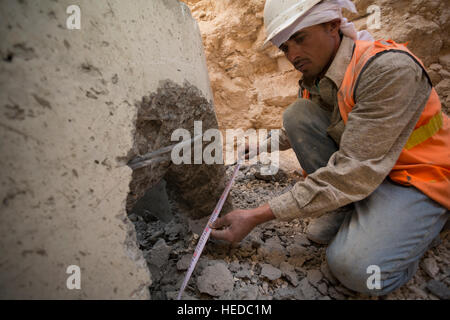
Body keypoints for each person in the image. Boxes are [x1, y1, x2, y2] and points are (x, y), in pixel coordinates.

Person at [210, 0, 449, 296]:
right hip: (370, 169)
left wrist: (256, 215)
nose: (293, 54)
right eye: (285, 47)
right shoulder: (322, 76)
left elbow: (352, 172)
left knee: (355, 268)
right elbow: (316, 125)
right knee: (298, 114)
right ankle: (350, 207)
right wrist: (261, 146)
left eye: (300, 39)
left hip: (421, 174)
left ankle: (421, 228)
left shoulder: (386, 69)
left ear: (333, 25)